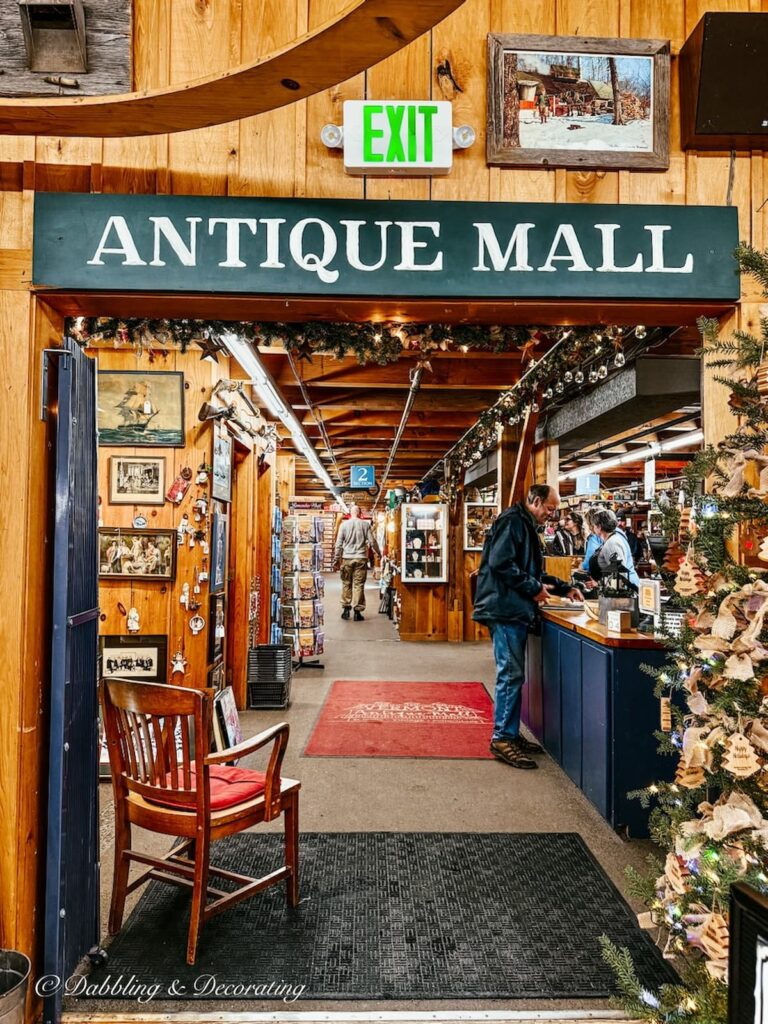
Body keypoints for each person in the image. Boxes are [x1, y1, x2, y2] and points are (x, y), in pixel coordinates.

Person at [472, 484, 584, 769]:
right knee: (510, 674)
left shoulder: (522, 524)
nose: (552, 514)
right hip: (504, 609)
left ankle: (509, 732)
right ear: (534, 501)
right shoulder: (513, 522)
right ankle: (502, 738)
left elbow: (529, 569)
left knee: (513, 675)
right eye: (549, 508)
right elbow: (501, 564)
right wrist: (533, 588)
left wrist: (563, 586)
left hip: (509, 608)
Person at [333, 504, 381, 621]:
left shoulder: (344, 525)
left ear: (350, 513)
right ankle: (357, 612)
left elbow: (338, 544)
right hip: (360, 558)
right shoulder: (365, 525)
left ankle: (345, 609)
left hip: (347, 558)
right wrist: (378, 553)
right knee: (358, 585)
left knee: (346, 583)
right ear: (360, 513)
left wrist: (336, 559)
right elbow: (372, 541)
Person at [590, 508, 640, 588]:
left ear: (599, 527)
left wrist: (599, 584)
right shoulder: (612, 539)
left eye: (594, 526)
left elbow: (619, 574)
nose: (593, 529)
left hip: (625, 592)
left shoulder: (612, 543)